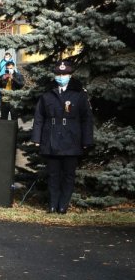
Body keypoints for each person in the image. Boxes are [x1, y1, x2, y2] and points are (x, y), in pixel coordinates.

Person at [32, 60, 94, 214]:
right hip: (51, 138)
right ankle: (53, 204)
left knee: (68, 175)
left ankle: (63, 205)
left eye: (64, 74)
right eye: (59, 74)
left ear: (70, 75)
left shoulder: (79, 94)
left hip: (71, 139)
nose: (61, 77)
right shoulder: (47, 93)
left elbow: (87, 118)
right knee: (53, 174)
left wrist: (86, 140)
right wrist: (36, 139)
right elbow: (39, 117)